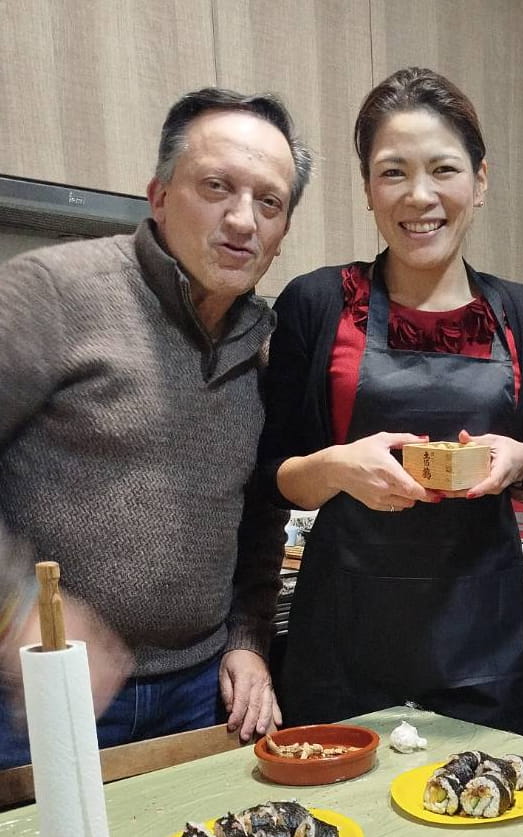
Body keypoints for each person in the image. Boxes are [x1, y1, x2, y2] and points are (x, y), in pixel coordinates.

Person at [0, 86, 313, 769]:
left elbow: (261, 512)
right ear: (160, 195)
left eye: (269, 202)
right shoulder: (52, 291)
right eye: (216, 187)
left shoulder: (263, 346)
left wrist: (248, 641)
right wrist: (16, 609)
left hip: (198, 692)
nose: (242, 220)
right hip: (35, 689)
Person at [257, 67, 523, 738]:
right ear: (368, 188)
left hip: (486, 655)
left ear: (479, 182)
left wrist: (522, 462)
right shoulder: (318, 304)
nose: (419, 195)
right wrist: (338, 467)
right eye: (393, 172)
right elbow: (276, 474)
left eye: (443, 169)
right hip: (342, 650)